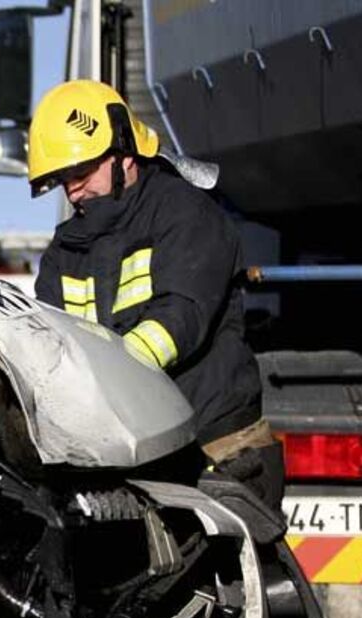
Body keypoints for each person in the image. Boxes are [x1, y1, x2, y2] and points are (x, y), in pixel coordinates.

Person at [29, 79, 282, 509]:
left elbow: (181, 315)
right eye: (62, 181)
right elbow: (50, 345)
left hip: (216, 448)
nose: (73, 191)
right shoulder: (64, 252)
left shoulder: (186, 214)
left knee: (238, 574)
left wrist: (111, 379)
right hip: (128, 456)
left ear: (124, 154)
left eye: (81, 173)